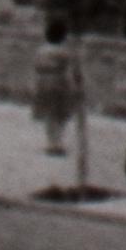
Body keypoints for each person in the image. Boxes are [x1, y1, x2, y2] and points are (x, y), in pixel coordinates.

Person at [30, 39, 76, 178]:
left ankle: (51, 143)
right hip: (59, 82)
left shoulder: (40, 51)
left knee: (49, 115)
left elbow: (36, 68)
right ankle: (57, 143)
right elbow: (69, 70)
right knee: (60, 115)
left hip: (43, 82)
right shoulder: (64, 52)